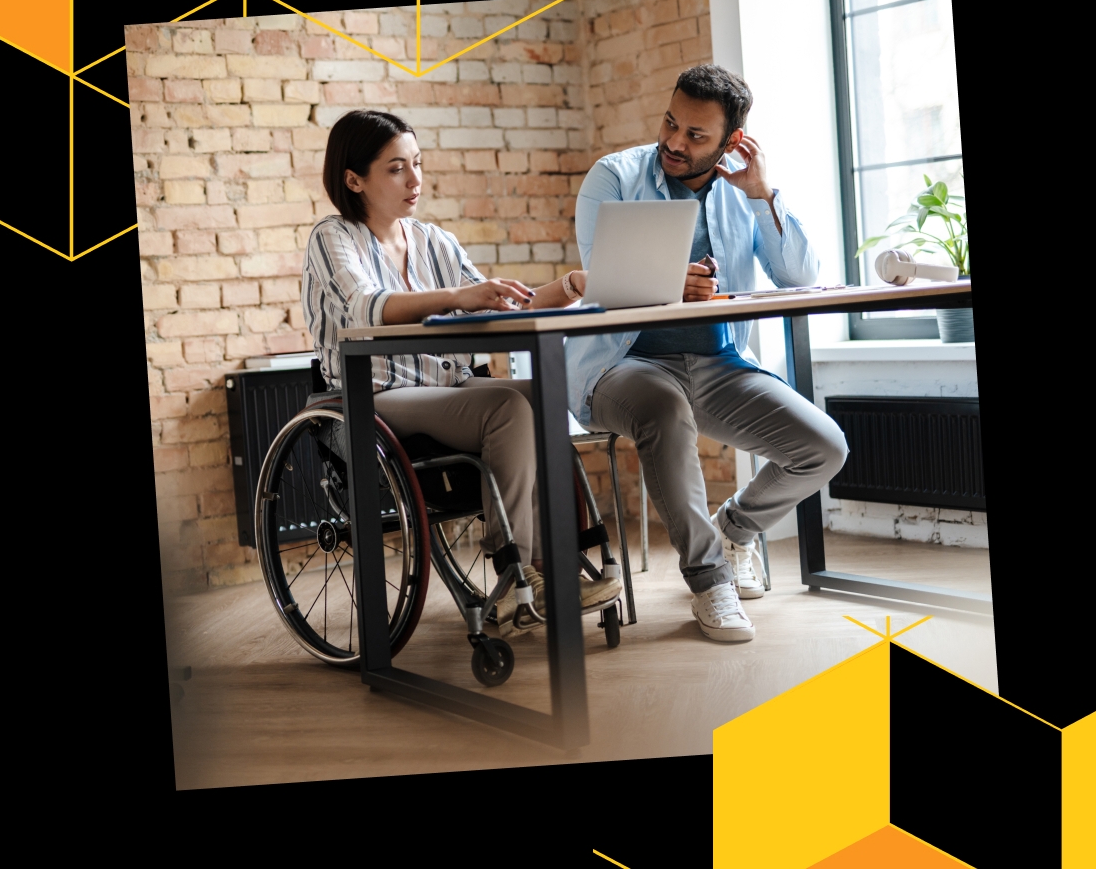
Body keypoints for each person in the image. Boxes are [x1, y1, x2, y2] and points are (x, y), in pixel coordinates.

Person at [301, 109, 618, 631]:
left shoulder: (434, 241)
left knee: (541, 393)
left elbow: (501, 304)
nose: (415, 179)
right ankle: (516, 572)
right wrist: (455, 296)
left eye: (418, 163)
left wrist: (571, 285)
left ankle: (549, 567)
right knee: (506, 406)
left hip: (448, 387)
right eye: (396, 168)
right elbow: (365, 307)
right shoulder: (333, 238)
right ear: (354, 179)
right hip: (373, 396)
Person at [567, 65, 849, 643]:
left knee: (824, 448)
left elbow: (799, 277)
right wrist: (670, 284)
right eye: (671, 123)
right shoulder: (613, 177)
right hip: (624, 366)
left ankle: (735, 529)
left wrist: (762, 195)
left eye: (696, 135)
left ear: (731, 140)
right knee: (664, 408)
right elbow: (603, 280)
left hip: (719, 368)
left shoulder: (741, 192)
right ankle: (709, 580)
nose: (675, 141)